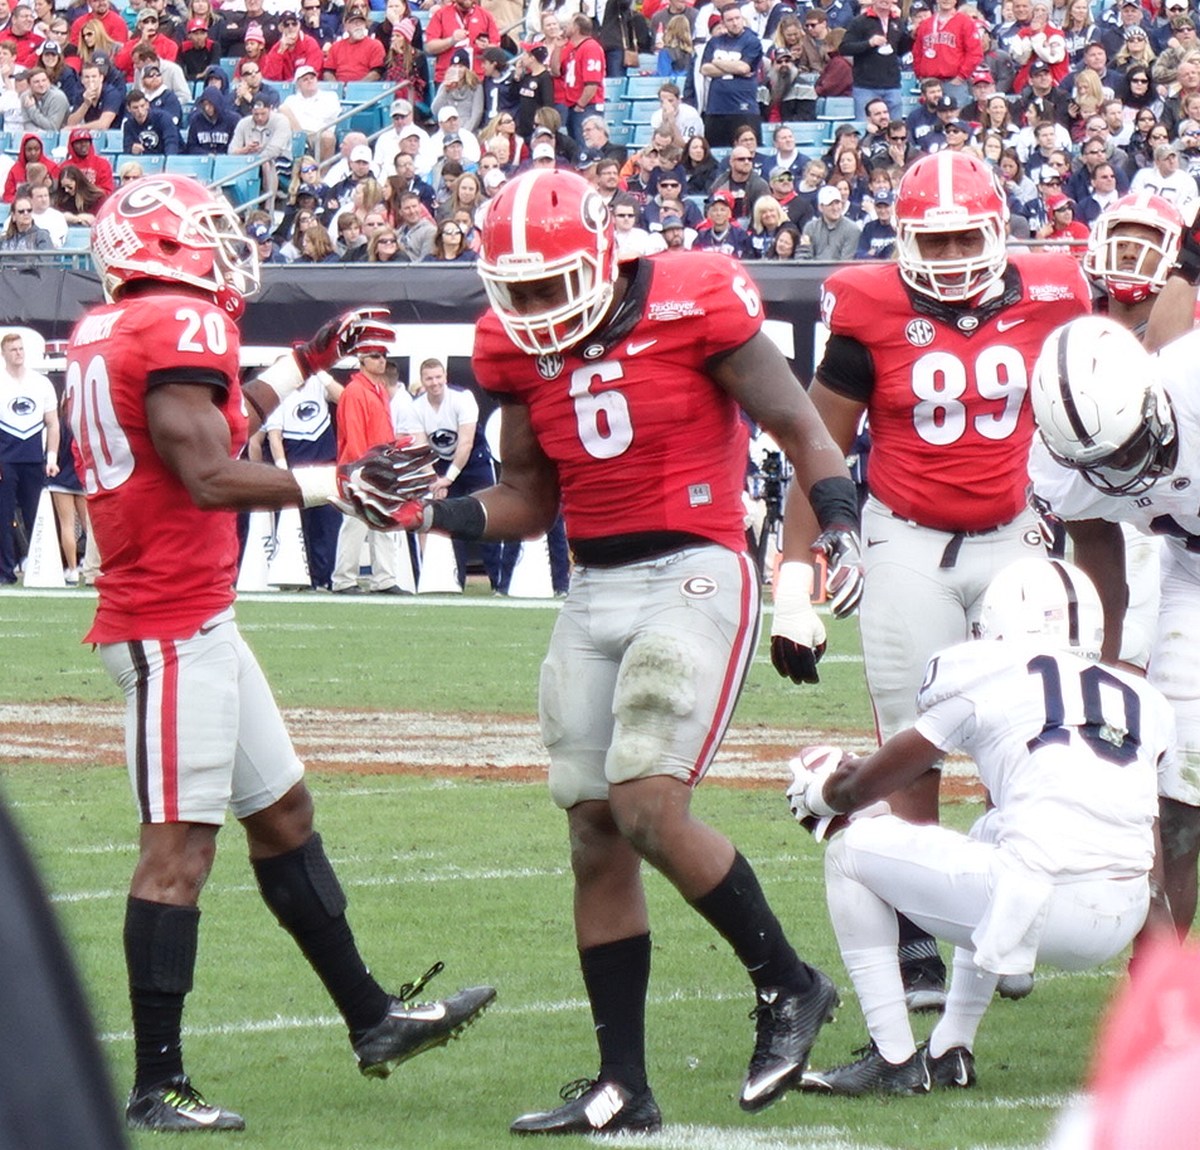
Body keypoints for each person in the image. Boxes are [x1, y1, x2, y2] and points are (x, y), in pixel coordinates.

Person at [395, 167, 864, 1133]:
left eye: (545, 284)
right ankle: (623, 1086)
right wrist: (424, 510)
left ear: (603, 256)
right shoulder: (514, 349)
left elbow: (799, 426)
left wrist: (838, 528)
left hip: (693, 568)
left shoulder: (694, 294)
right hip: (592, 586)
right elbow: (528, 503)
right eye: (512, 290)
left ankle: (789, 982)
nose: (527, 309)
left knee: (649, 801)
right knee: (592, 829)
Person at [66, 175, 494, 1131]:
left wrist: (304, 362)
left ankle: (373, 1019)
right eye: (207, 233)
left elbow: (207, 427)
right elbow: (207, 470)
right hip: (167, 623)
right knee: (177, 852)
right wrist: (336, 484)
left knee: (285, 814)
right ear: (167, 248)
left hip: (192, 615)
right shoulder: (174, 320)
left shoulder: (115, 327)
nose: (223, 250)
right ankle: (155, 1083)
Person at [790, 150, 1091, 1012]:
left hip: (1013, 535)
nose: (955, 253)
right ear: (905, 239)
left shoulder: (1055, 290)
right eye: (937, 237)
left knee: (1023, 744)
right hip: (905, 536)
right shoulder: (870, 306)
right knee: (912, 741)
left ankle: (1013, 916)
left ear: (998, 232)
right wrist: (794, 581)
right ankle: (919, 933)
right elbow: (818, 444)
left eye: (967, 235)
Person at [789, 558, 1171, 1094]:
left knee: (848, 855)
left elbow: (872, 784)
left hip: (1044, 905)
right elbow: (1155, 869)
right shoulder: (1143, 700)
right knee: (994, 830)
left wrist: (821, 793)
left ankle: (893, 1059)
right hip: (1120, 914)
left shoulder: (987, 672)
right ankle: (950, 1048)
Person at [1027, 310, 1200, 937]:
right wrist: (1101, 667)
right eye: (1098, 460)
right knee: (1180, 793)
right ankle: (1161, 987)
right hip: (1192, 574)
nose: (1117, 472)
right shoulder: (1065, 462)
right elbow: (1099, 551)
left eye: (1127, 449)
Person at [0, 331, 58, 585]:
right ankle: (5, 571)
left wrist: (52, 457)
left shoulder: (40, 383)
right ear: (4, 354)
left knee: (38, 514)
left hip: (34, 458)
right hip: (5, 459)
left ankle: (38, 568)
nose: (18, 353)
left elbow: (53, 423)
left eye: (21, 348)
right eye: (13, 349)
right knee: (3, 515)